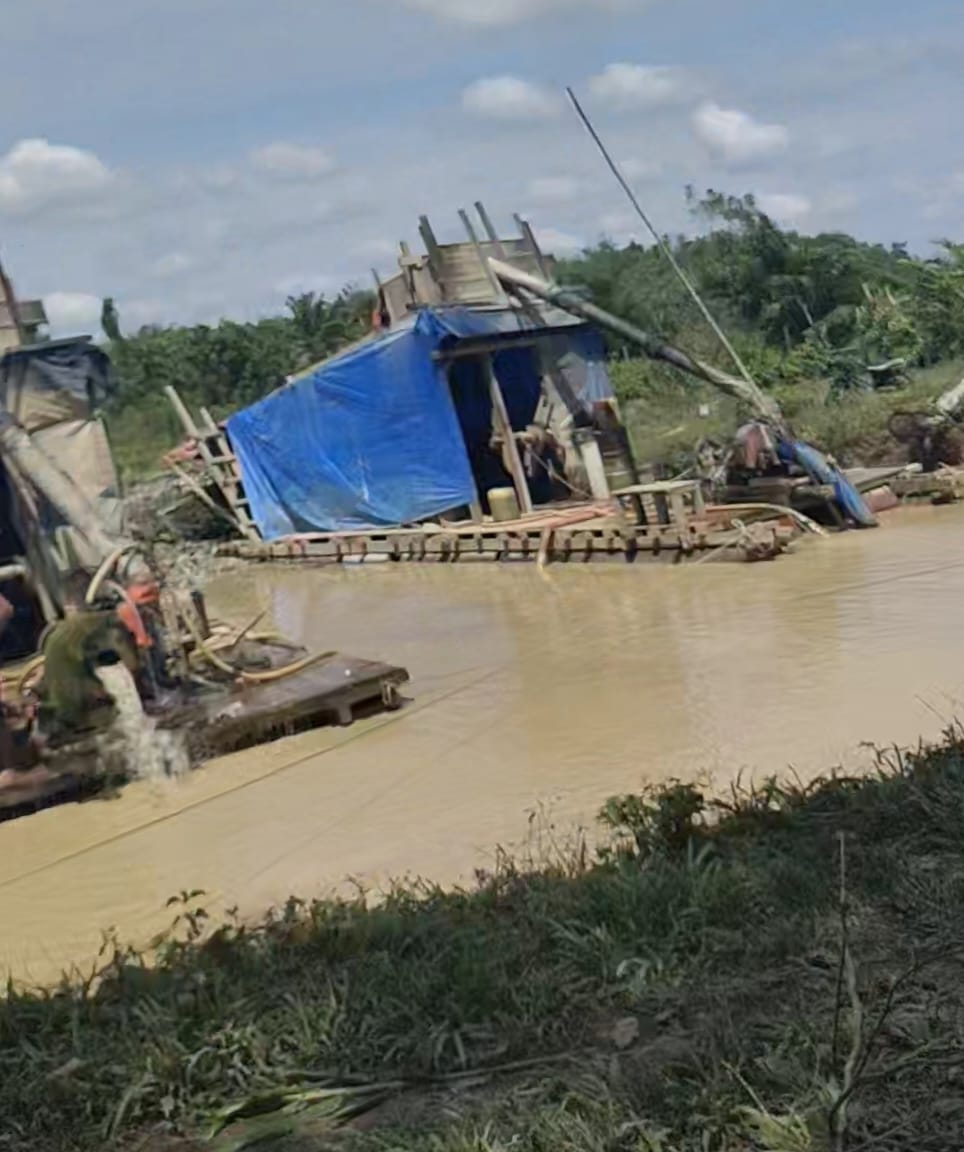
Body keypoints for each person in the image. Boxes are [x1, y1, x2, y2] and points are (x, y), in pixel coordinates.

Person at [36, 569, 140, 747]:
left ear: (67, 604)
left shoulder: (54, 635)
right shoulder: (109, 623)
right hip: (94, 719)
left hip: (63, 722)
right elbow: (133, 666)